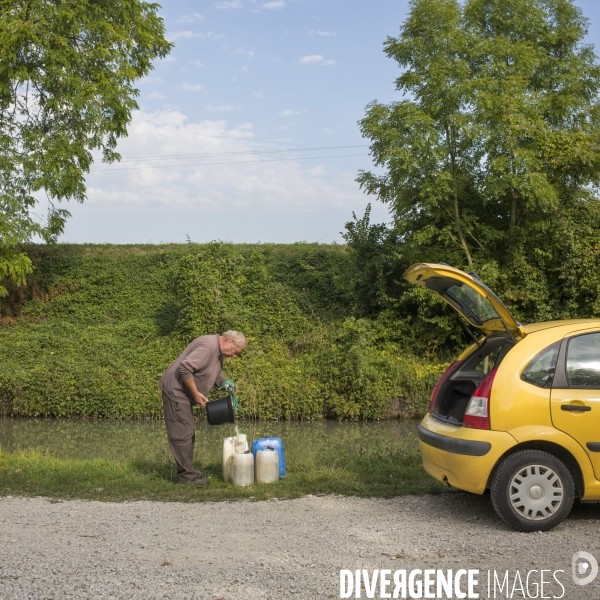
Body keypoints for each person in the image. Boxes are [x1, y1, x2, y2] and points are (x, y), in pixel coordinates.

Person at [159, 330, 246, 486]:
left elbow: (215, 374)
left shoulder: (219, 353)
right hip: (176, 391)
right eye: (236, 352)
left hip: (183, 393)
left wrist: (224, 382)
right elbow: (185, 368)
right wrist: (195, 393)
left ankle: (189, 472)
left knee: (188, 432)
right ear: (229, 343)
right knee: (182, 433)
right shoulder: (208, 347)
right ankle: (185, 478)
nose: (235, 356)